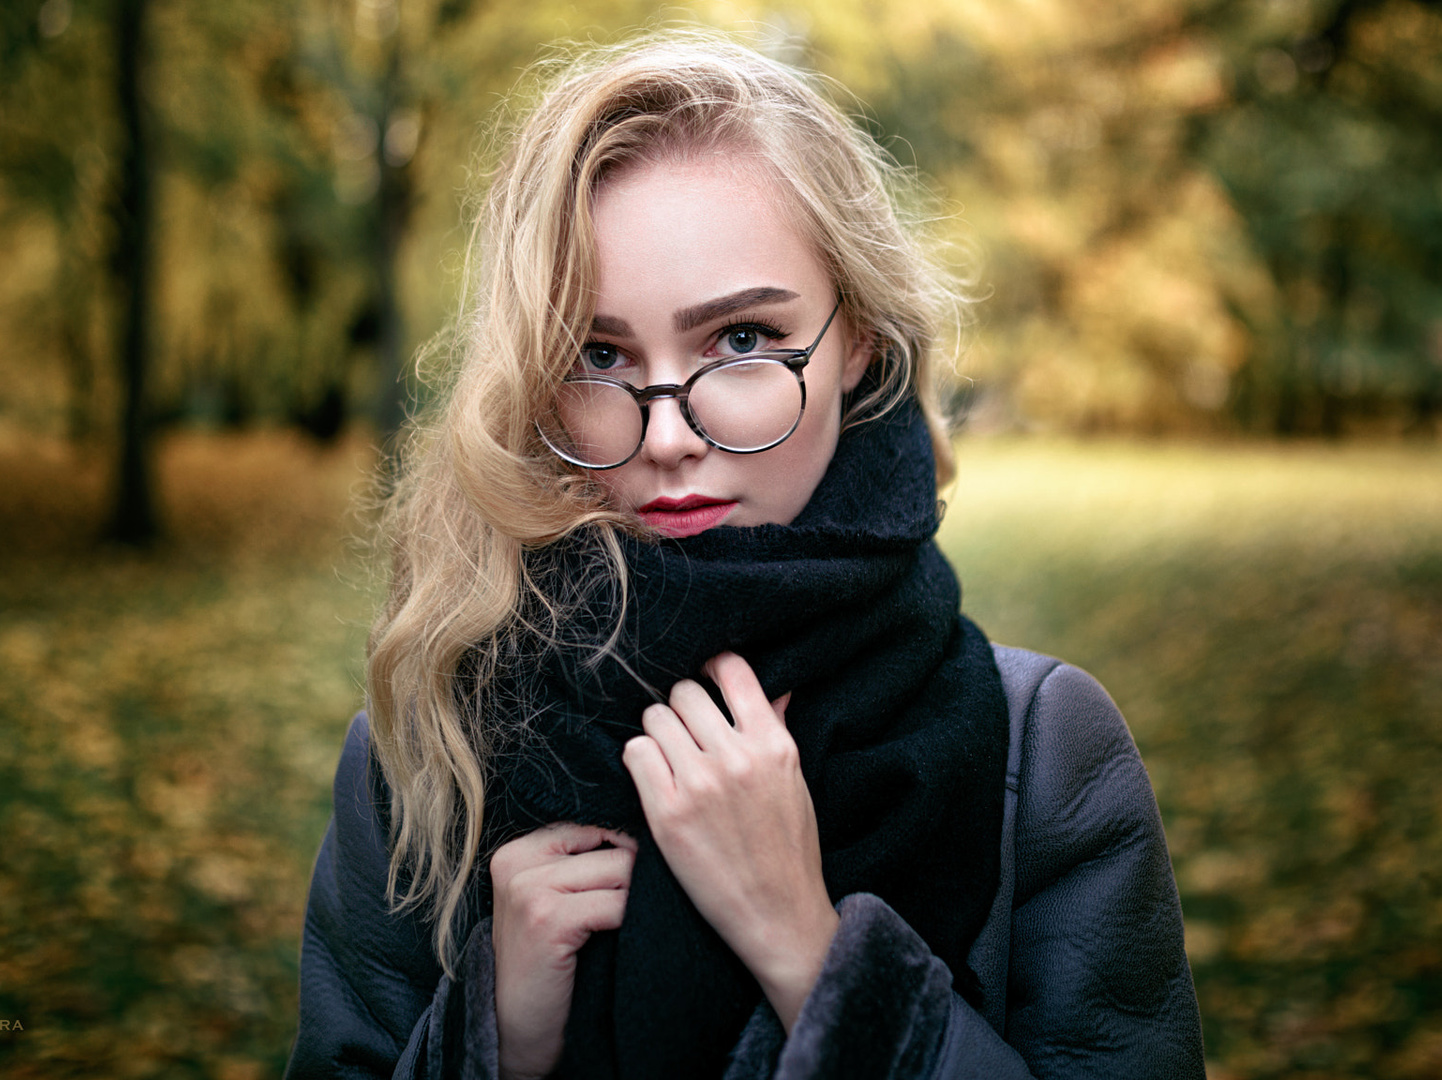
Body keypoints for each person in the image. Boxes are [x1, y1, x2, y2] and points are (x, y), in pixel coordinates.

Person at [285, 30, 1203, 1080]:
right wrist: (491, 1040)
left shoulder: (1041, 755)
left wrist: (816, 959)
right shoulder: (425, 754)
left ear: (857, 339)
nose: (668, 435)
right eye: (599, 354)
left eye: (742, 342)